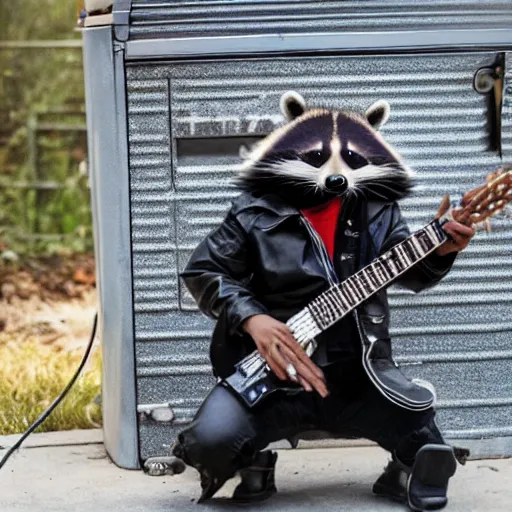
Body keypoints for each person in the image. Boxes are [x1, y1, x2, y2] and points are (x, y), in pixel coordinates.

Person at [171, 92, 475, 511]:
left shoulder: (378, 211)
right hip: (274, 383)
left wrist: (443, 249)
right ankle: (254, 456)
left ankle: (400, 473)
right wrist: (252, 318)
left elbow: (411, 271)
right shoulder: (254, 211)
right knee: (208, 444)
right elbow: (203, 272)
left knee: (428, 449)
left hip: (359, 379)